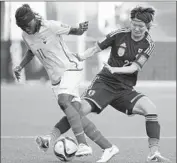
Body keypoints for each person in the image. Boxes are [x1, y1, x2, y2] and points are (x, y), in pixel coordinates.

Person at [39, 6, 170, 163]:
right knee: (77, 111)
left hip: (125, 89)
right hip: (104, 83)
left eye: (141, 26)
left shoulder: (148, 43)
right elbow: (96, 48)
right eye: (134, 24)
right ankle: (50, 137)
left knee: (151, 108)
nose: (136, 28)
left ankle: (153, 154)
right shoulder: (119, 34)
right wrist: (80, 56)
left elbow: (135, 67)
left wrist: (116, 69)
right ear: (130, 22)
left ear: (147, 26)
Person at [13, 3, 95, 157]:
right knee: (74, 114)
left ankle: (83, 145)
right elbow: (31, 51)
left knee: (64, 101)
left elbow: (75, 31)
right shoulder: (26, 35)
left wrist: (80, 28)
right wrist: (20, 66)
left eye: (27, 24)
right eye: (22, 26)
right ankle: (48, 140)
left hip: (70, 68)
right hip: (56, 79)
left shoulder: (51, 26)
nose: (26, 28)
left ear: (33, 19)